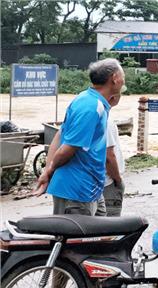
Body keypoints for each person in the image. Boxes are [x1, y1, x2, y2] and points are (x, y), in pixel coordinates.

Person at [34, 58, 125, 216]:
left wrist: (48, 170)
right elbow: (67, 148)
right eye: (123, 76)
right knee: (75, 239)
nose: (123, 81)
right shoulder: (91, 106)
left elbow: (60, 135)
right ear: (115, 78)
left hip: (92, 189)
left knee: (100, 232)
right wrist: (49, 171)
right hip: (77, 190)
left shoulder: (87, 99)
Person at [103, 93, 126, 217]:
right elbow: (108, 157)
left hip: (95, 183)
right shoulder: (106, 121)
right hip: (107, 182)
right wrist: (117, 179)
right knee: (110, 226)